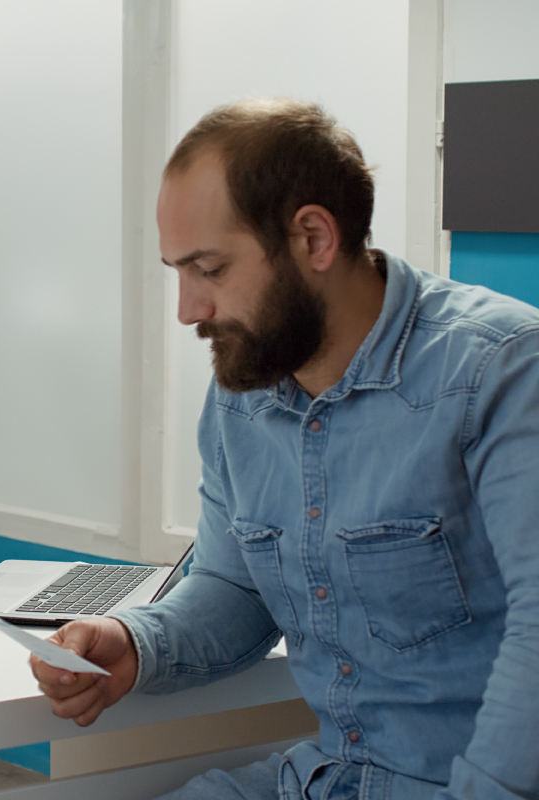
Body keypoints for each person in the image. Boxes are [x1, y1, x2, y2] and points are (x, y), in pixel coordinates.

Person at [31, 98, 539, 799]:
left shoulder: (501, 370)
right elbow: (234, 585)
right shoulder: (246, 393)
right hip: (323, 779)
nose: (188, 310)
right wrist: (135, 641)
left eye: (208, 269)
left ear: (313, 239)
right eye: (176, 271)